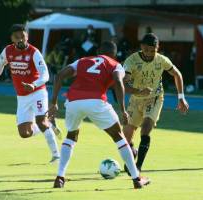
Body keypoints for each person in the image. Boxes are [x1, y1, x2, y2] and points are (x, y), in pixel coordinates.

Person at [49, 41, 150, 189]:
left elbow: (59, 75)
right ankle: (136, 178)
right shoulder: (115, 64)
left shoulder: (82, 61)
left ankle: (60, 177)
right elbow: (118, 81)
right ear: (114, 54)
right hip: (96, 101)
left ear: (98, 51)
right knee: (119, 137)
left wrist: (54, 102)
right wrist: (123, 109)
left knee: (71, 136)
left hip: (73, 101)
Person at [0, 24, 61, 162]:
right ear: (12, 38)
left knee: (40, 122)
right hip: (22, 97)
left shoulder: (34, 52)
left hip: (37, 92)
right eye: (16, 36)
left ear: (27, 36)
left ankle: (56, 155)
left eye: (22, 36)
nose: (20, 39)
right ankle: (50, 122)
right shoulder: (8, 51)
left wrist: (34, 84)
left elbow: (46, 75)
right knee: (24, 133)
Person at [123, 33, 189, 174]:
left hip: (155, 98)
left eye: (153, 51)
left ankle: (138, 166)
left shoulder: (161, 60)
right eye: (146, 50)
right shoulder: (131, 61)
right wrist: (139, 91)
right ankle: (132, 151)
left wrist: (181, 97)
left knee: (145, 129)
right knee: (125, 138)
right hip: (135, 100)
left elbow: (177, 74)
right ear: (141, 47)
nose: (149, 54)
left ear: (157, 48)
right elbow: (123, 84)